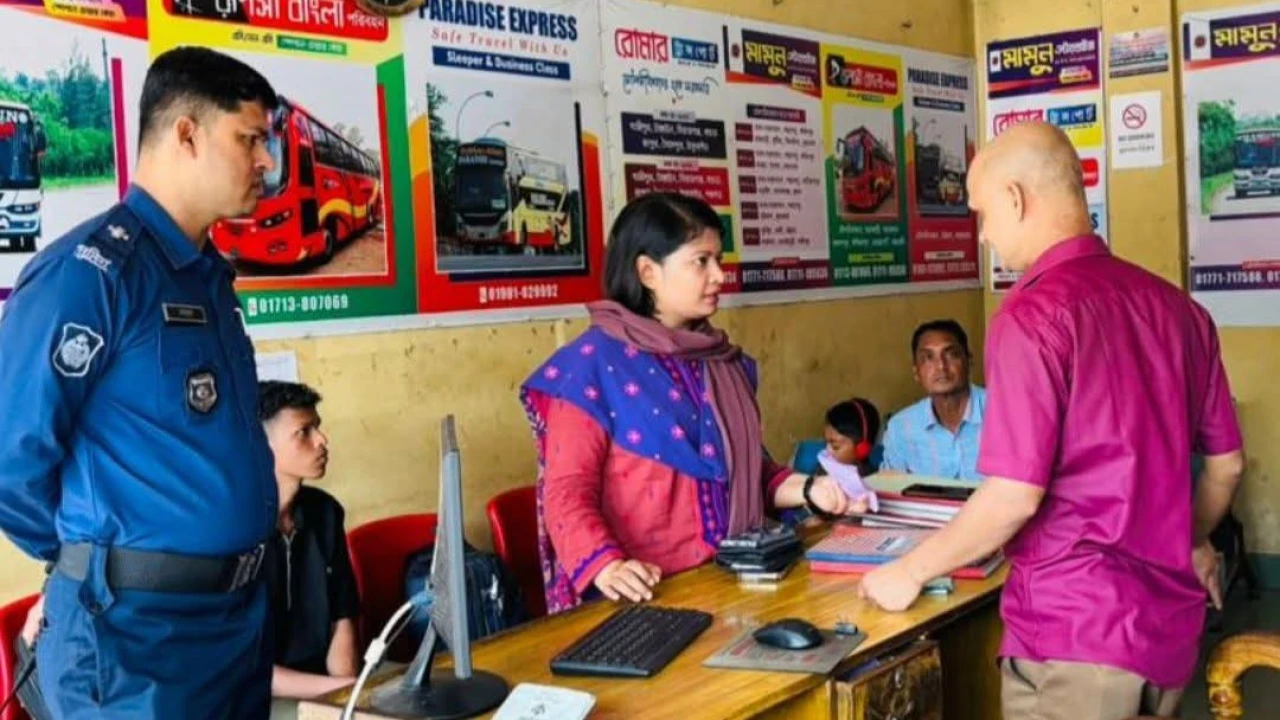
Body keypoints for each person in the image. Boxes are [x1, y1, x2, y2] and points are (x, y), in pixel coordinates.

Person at [858, 122, 1245, 720]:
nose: (984, 236)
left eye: (983, 214)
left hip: (1075, 634)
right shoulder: (1181, 311)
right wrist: (1183, 540)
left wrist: (909, 571)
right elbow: (1226, 465)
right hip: (1166, 632)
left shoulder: (1032, 314)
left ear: (1015, 199)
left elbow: (1014, 495)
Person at [0, 47, 281, 719]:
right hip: (133, 645)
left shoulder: (205, 276)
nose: (266, 161)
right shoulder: (91, 274)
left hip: (234, 623)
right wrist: (87, 562)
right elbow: (10, 461)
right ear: (186, 133)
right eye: (249, 139)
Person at [521, 192, 859, 613]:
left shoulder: (718, 361)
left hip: (734, 586)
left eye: (719, 259)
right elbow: (567, 492)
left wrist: (813, 490)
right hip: (644, 603)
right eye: (701, 261)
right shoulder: (589, 368)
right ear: (647, 272)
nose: (718, 276)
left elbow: (749, 472)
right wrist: (607, 566)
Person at [257, 381, 359, 703]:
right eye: (304, 432)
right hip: (258, 695)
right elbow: (242, 665)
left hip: (325, 686)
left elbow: (341, 618)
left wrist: (347, 694)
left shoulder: (325, 513)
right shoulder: (231, 532)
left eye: (318, 427)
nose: (322, 440)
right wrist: (342, 691)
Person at [879, 320, 986, 480]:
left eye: (951, 354)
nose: (941, 366)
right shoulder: (901, 428)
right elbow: (890, 491)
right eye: (928, 358)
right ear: (916, 372)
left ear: (969, 360)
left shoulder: (1007, 413)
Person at [821, 398, 882, 479]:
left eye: (835, 447)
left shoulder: (874, 485)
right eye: (826, 443)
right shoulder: (823, 470)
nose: (827, 450)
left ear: (862, 449)